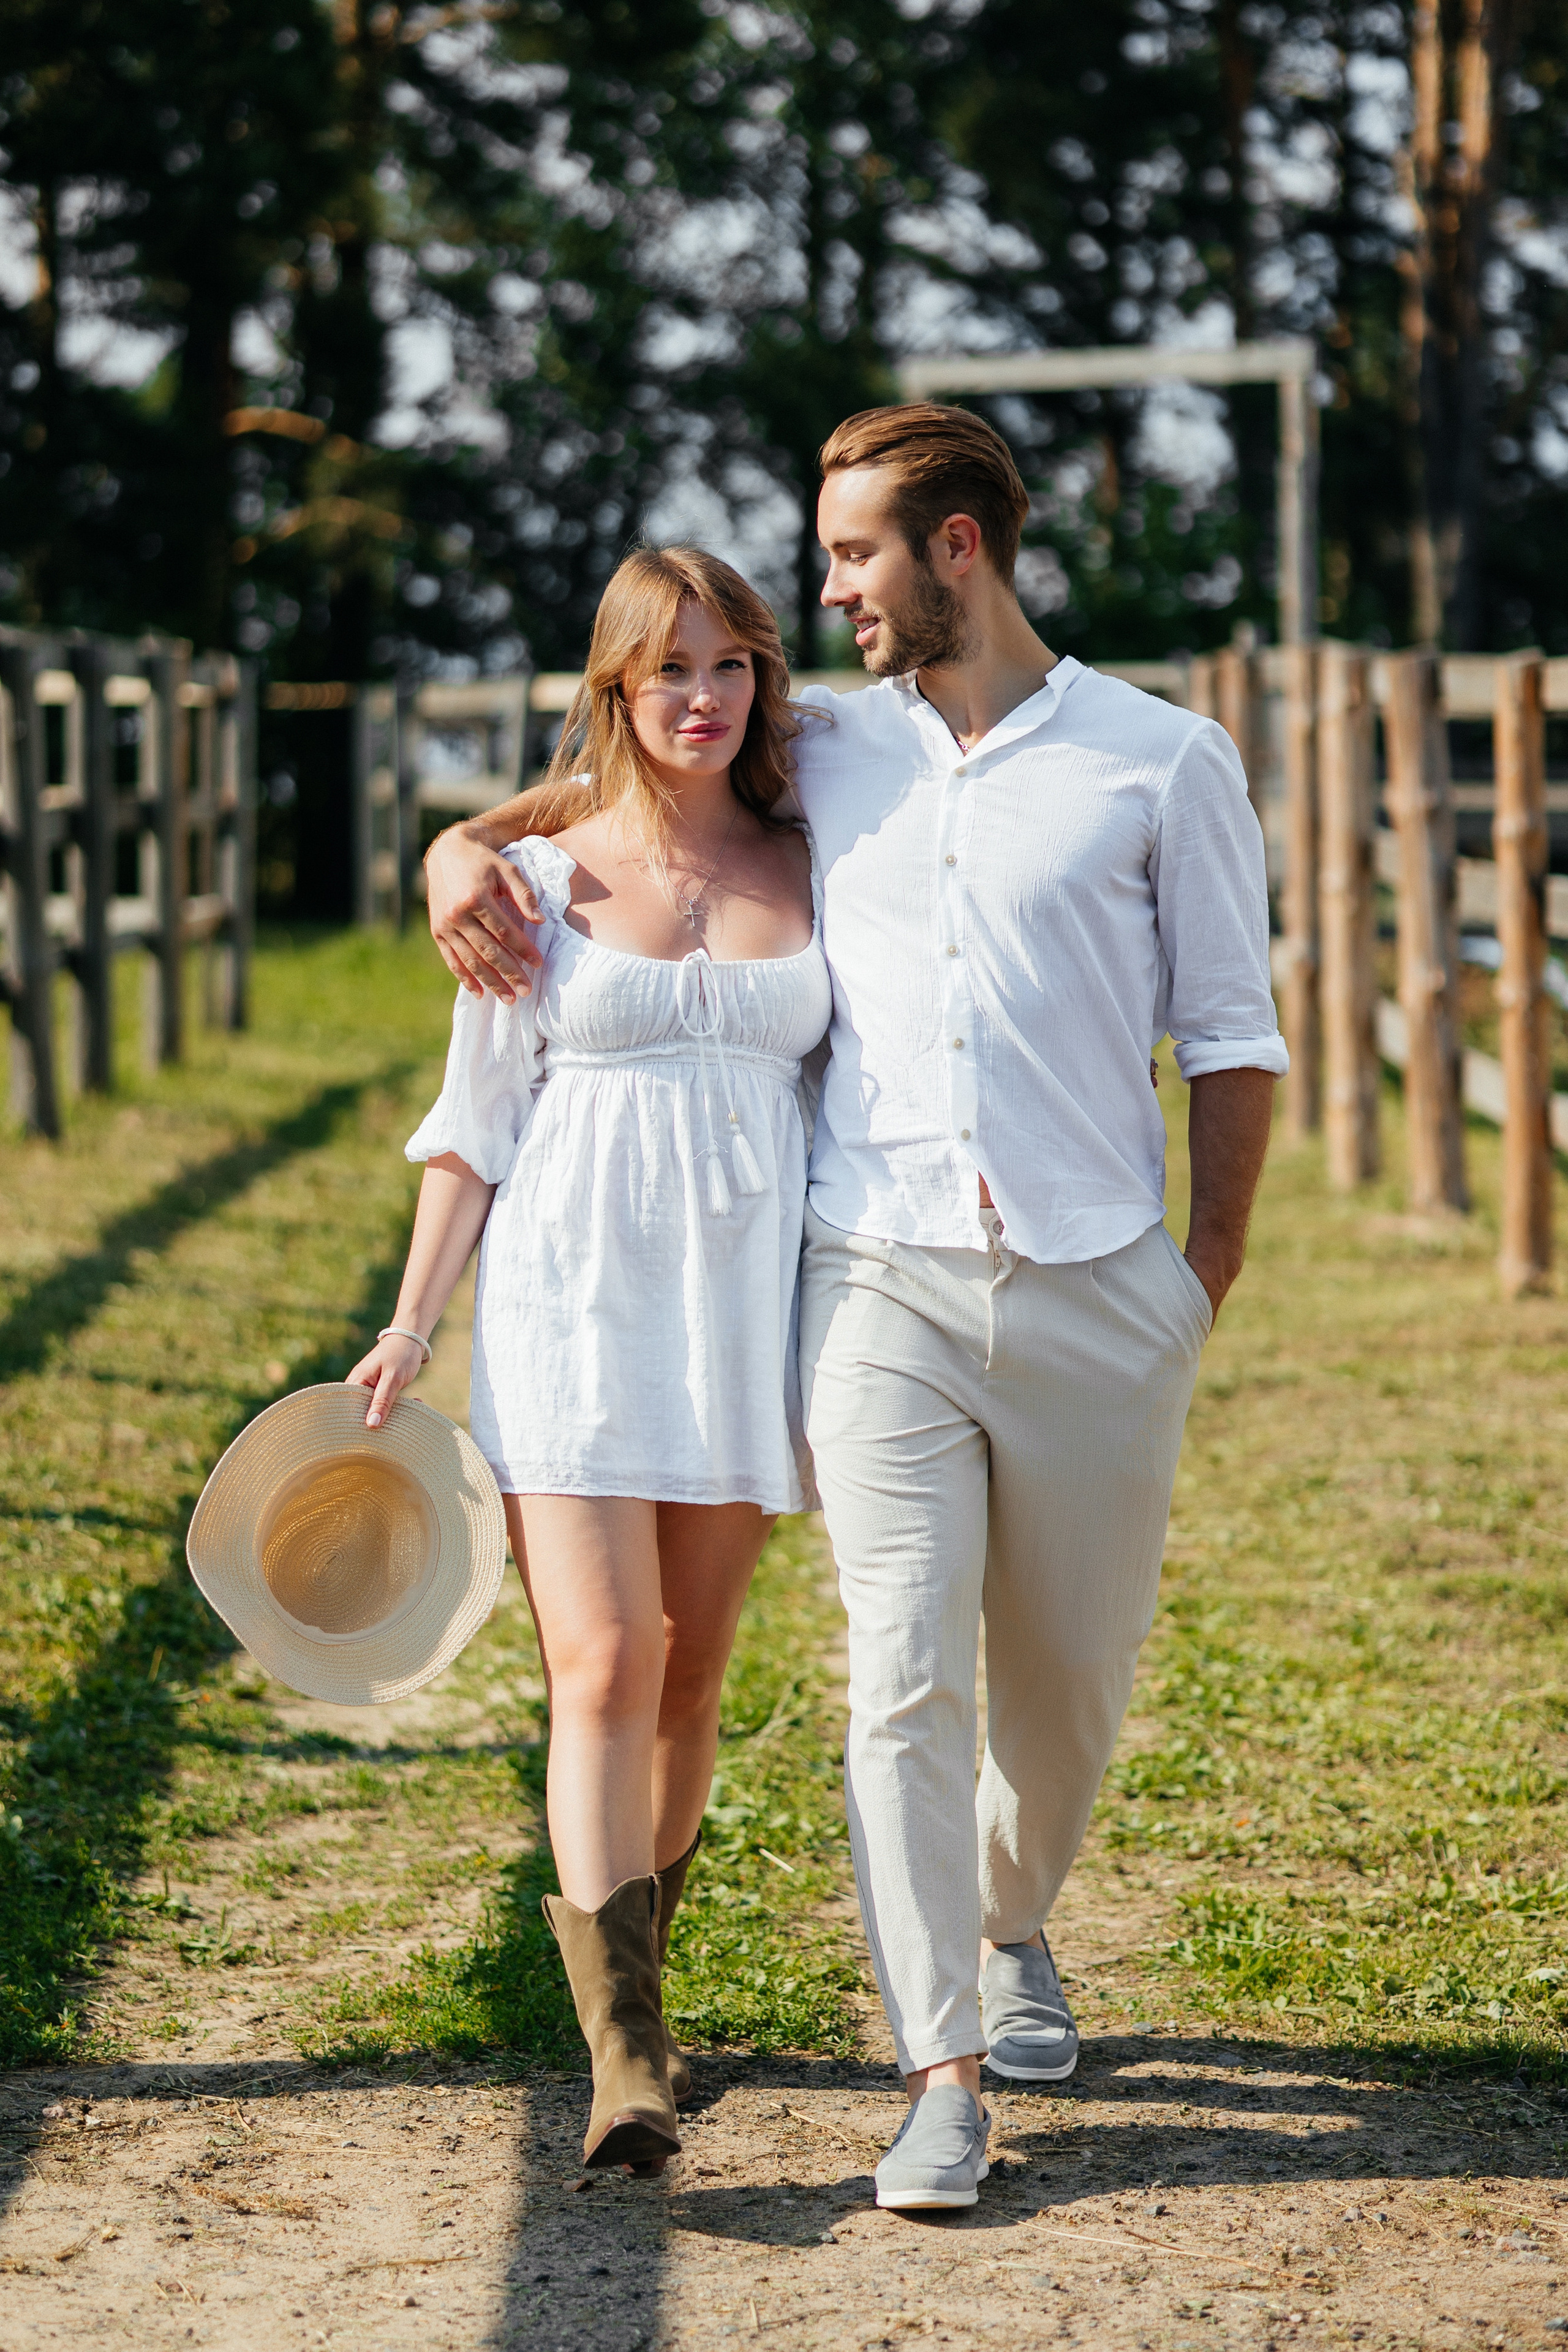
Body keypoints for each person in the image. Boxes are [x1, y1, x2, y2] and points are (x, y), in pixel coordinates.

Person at [422, 405, 1286, 2213]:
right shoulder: (838, 746)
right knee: (899, 1673)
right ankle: (941, 2074)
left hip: (1098, 1280)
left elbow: (1230, 1032)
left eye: (856, 557)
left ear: (956, 550)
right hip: (873, 1271)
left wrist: (1196, 1275)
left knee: (1066, 1680)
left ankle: (1012, 1917)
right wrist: (453, 851)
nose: (829, 595)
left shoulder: (1162, 759)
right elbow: (615, 767)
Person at [347, 545, 831, 2177]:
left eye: (729, 668)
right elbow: (475, 1127)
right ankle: (623, 2058)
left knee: (693, 1675)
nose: (702, 700)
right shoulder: (537, 884)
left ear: (763, 681)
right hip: (570, 1299)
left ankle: (648, 1979)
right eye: (666, 673)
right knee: (607, 1666)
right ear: (616, 691)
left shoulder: (821, 853)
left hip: (746, 1315)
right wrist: (415, 1319)